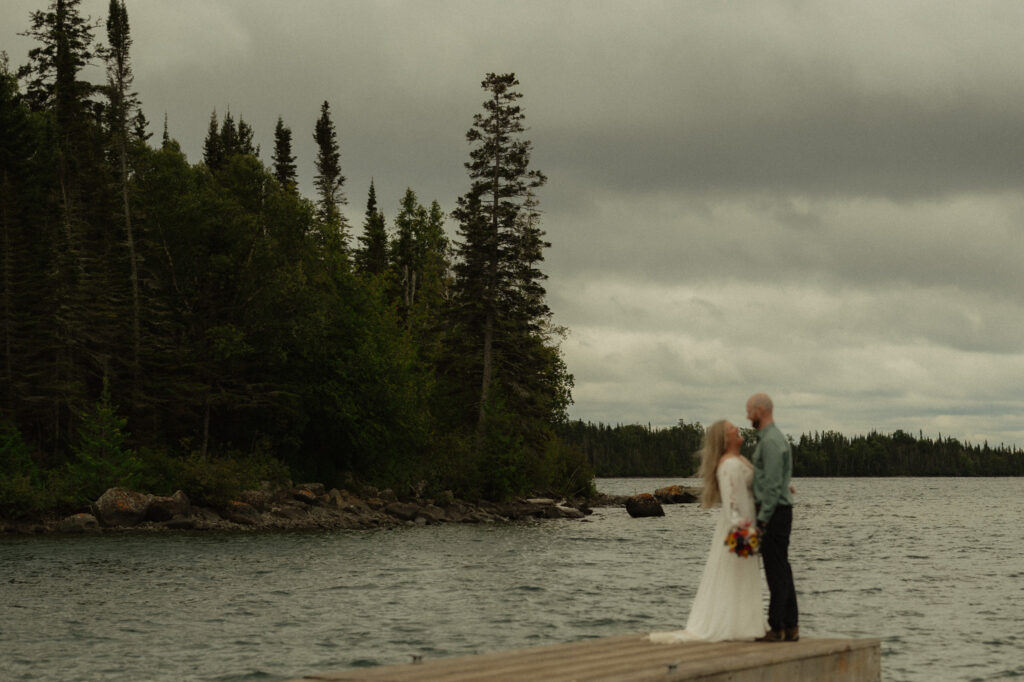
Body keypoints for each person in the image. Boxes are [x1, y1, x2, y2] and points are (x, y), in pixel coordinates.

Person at [649, 420, 767, 643]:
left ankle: (743, 623)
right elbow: (731, 500)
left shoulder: (738, 460)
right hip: (737, 527)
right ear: (724, 438)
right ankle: (730, 624)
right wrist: (741, 527)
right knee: (734, 573)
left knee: (743, 575)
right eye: (733, 428)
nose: (738, 429)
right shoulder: (729, 464)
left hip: (746, 522)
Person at [746, 392, 799, 642]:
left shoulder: (770, 442)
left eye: (749, 411)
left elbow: (773, 485)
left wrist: (763, 518)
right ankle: (790, 625)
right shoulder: (773, 438)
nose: (747, 416)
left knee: (775, 571)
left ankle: (776, 626)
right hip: (779, 511)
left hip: (775, 512)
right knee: (782, 568)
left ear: (760, 410)